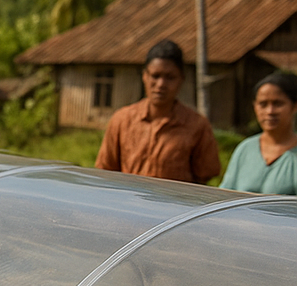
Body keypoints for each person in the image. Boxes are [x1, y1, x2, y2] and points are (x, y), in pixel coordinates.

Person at [95, 38, 221, 184]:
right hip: (127, 203)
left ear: (181, 79)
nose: (161, 84)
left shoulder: (197, 125)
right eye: (155, 76)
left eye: (170, 77)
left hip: (175, 205)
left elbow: (205, 176)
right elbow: (105, 170)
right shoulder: (122, 120)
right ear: (145, 76)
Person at [220, 71, 297, 194]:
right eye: (263, 104)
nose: (270, 111)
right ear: (255, 107)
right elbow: (224, 195)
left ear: (294, 107)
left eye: (278, 104)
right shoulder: (245, 149)